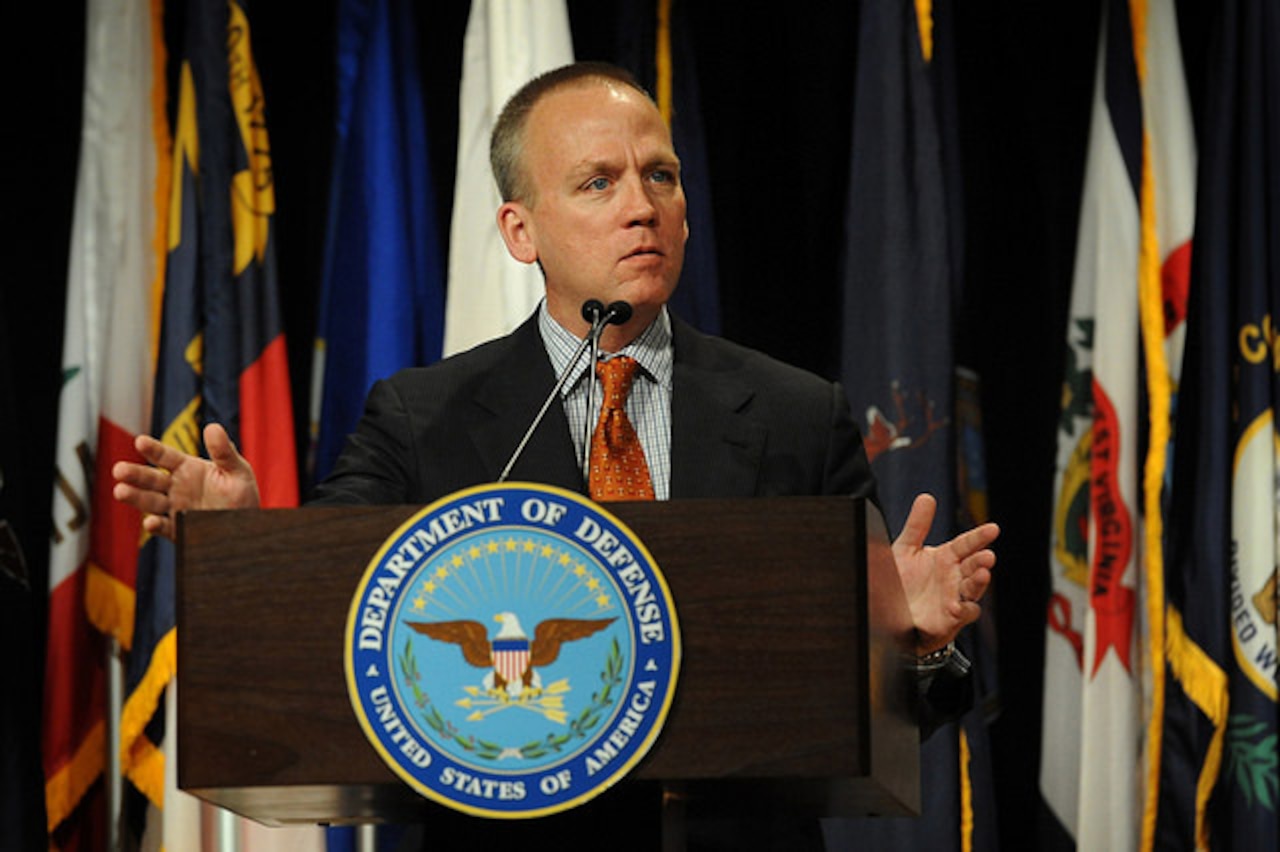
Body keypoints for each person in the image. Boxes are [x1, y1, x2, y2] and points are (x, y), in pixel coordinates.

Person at [113, 61, 998, 848]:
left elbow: (885, 718)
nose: (642, 206)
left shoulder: (797, 414)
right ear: (520, 231)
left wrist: (909, 644)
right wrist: (247, 546)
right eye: (597, 182)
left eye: (662, 176)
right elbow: (336, 631)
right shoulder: (425, 418)